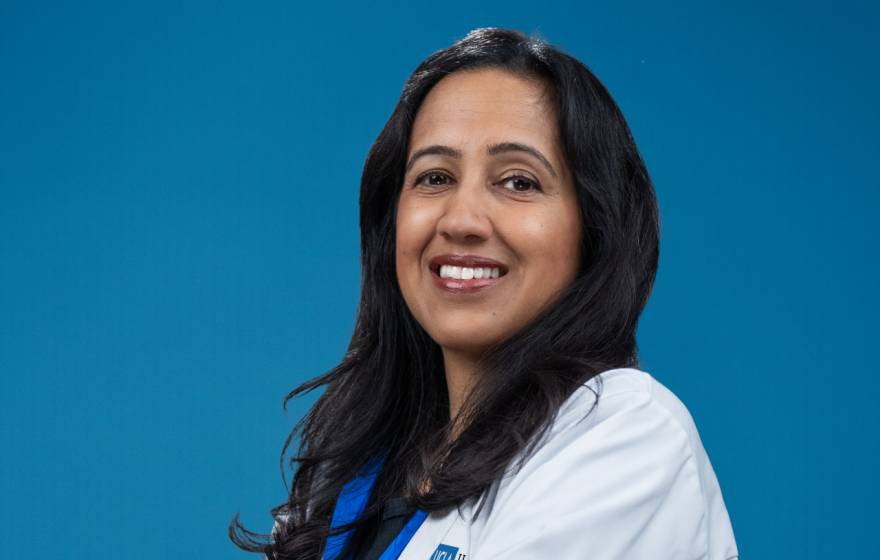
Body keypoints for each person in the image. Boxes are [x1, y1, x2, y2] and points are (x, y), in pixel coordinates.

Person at [230, 27, 739, 560]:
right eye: (434, 177)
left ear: (594, 229)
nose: (462, 220)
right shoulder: (362, 476)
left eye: (518, 181)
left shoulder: (626, 435)